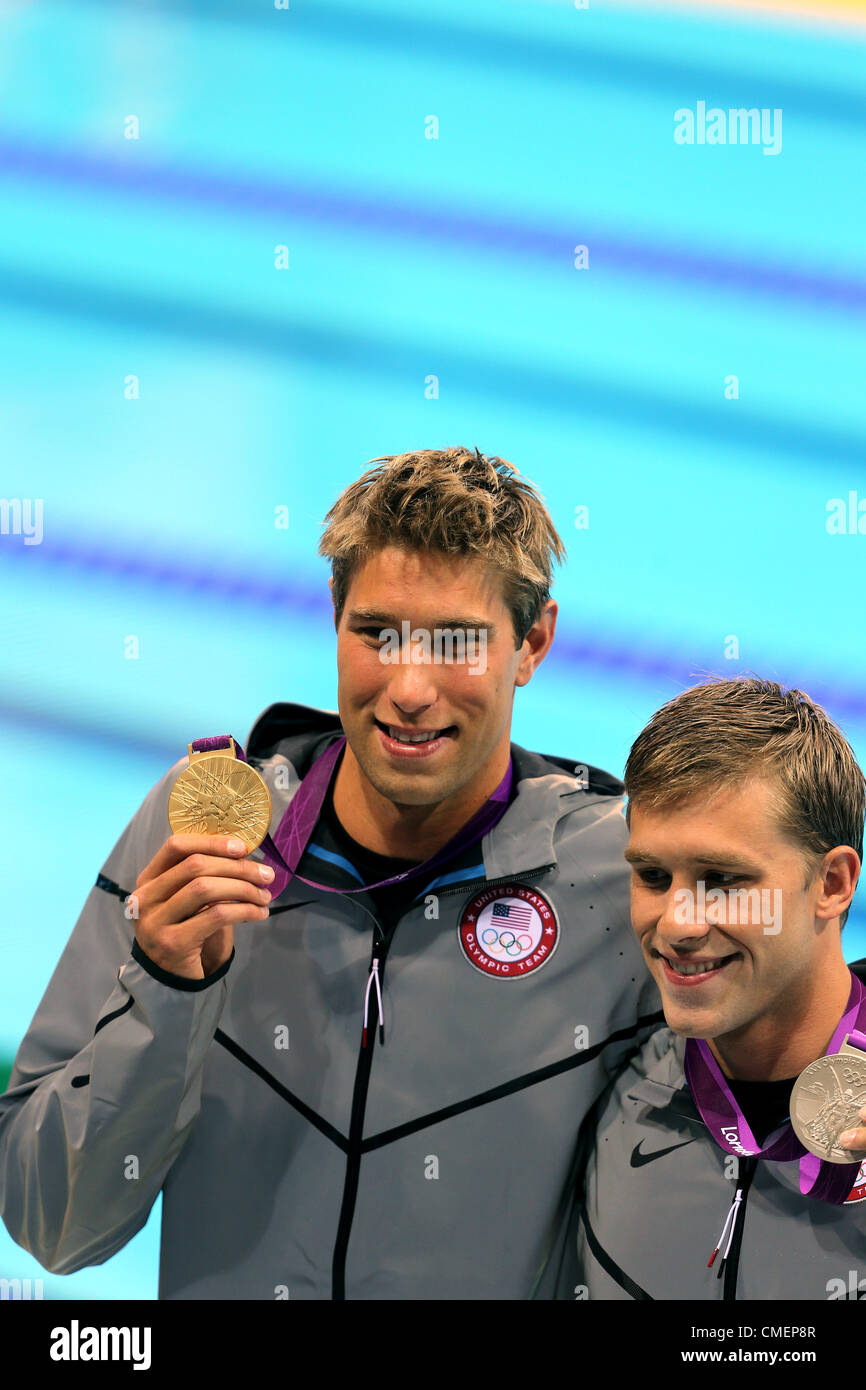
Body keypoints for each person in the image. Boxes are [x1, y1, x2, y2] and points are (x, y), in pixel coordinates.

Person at [0, 446, 663, 1300]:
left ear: (532, 642)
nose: (409, 688)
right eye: (376, 633)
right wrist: (168, 989)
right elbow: (51, 1224)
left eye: (457, 641)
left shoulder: (620, 882)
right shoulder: (204, 832)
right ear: (333, 616)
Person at [544, 677, 866, 1301]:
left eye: (723, 879)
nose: (677, 925)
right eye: (653, 875)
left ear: (831, 883)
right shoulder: (606, 1081)